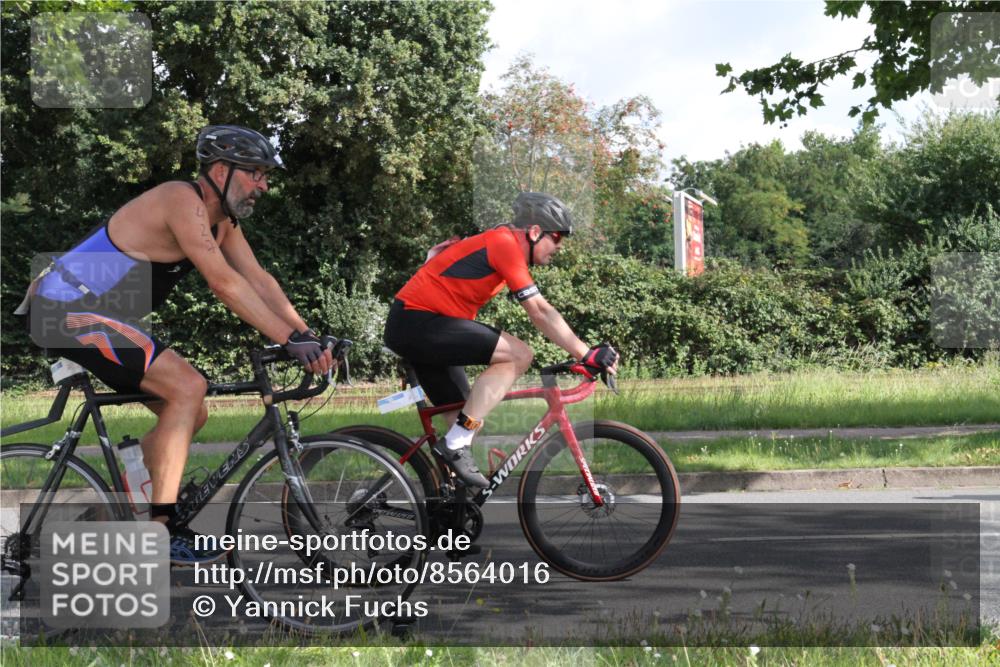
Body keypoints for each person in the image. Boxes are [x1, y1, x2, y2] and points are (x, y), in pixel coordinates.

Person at [22, 125, 334, 564]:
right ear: (221, 170)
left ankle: (120, 511)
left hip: (95, 313)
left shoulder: (223, 222)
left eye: (266, 176)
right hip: (62, 307)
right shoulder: (179, 200)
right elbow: (224, 283)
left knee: (191, 411)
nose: (263, 185)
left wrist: (305, 336)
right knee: (188, 387)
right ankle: (160, 529)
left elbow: (258, 280)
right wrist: (285, 338)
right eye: (256, 173)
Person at [383, 192, 619, 488]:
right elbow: (540, 311)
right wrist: (587, 353)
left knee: (465, 421)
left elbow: (447, 270)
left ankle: (447, 511)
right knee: (519, 355)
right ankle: (454, 448)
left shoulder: (499, 244)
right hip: (418, 324)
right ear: (534, 232)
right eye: (556, 237)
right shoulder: (504, 242)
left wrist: (435, 260)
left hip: (424, 327)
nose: (559, 246)